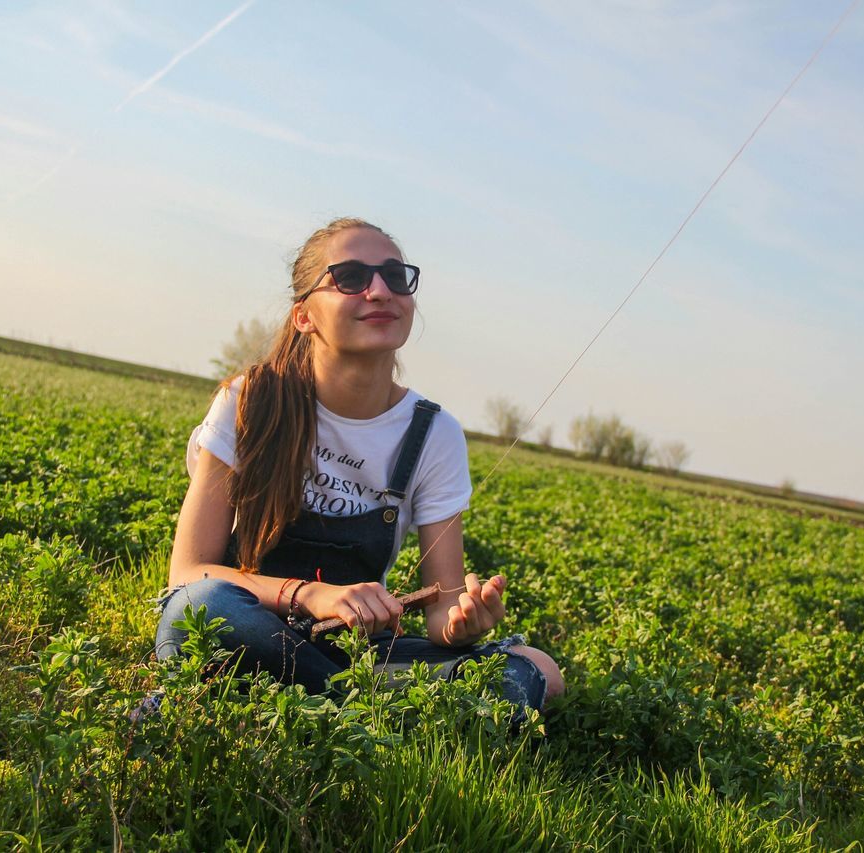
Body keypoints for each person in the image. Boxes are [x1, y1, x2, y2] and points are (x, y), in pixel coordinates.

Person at [155, 217, 563, 716]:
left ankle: (314, 701)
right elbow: (189, 573)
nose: (379, 291)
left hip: (351, 650)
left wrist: (461, 623)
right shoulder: (249, 400)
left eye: (395, 276)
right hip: (248, 623)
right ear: (304, 315)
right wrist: (314, 595)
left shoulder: (434, 433)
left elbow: (441, 609)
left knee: (537, 667)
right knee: (200, 608)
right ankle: (365, 711)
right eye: (351, 277)